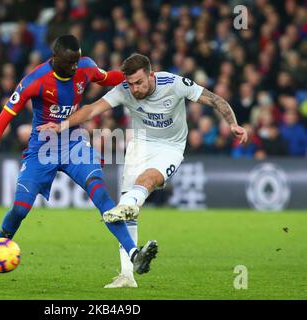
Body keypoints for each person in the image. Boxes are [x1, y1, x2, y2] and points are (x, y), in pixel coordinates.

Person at [0, 36, 158, 285]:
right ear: (56, 59)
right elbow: (2, 120)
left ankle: (134, 254)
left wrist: (146, 77)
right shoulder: (34, 81)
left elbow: (110, 78)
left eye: (77, 60)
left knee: (101, 194)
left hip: (74, 143)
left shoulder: (86, 67)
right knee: (20, 209)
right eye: (70, 62)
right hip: (42, 149)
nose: (75, 67)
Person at [38, 53, 248, 288]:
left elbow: (215, 99)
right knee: (129, 209)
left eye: (139, 82)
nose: (135, 89)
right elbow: (92, 110)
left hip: (171, 147)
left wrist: (233, 123)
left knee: (146, 181)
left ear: (150, 75)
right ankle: (127, 275)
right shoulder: (124, 90)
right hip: (139, 144)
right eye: (130, 84)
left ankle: (130, 203)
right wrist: (61, 125)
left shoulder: (174, 84)